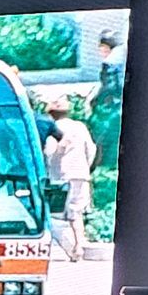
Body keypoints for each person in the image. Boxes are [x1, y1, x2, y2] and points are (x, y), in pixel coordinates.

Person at [44, 96, 97, 261]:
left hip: (60, 176)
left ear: (51, 113)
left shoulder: (53, 128)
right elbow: (91, 149)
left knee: (53, 213)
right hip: (80, 174)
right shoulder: (80, 127)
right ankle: (78, 246)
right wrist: (85, 166)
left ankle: (59, 247)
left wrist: (48, 171)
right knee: (76, 212)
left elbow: (49, 153)